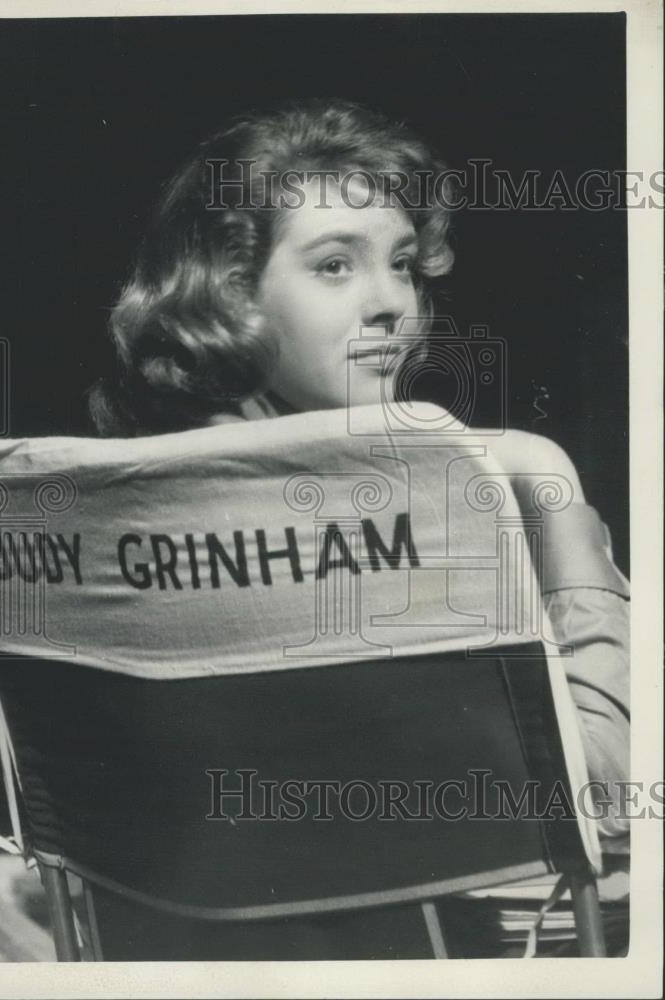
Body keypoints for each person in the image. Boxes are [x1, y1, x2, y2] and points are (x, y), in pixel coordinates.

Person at [87, 99, 630, 957]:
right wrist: (549, 481)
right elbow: (596, 794)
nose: (390, 304)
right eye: (335, 265)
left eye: (404, 264)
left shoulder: (118, 512)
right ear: (232, 292)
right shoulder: (398, 521)